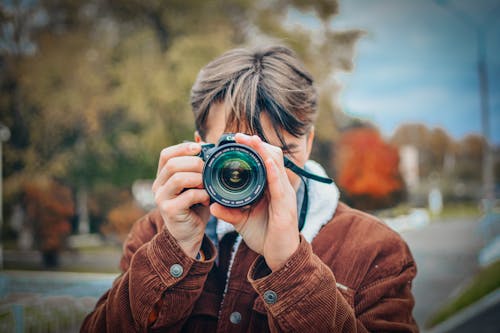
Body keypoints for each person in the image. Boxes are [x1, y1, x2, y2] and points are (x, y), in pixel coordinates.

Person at [81, 45, 418, 332]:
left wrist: (291, 265)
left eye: (281, 153)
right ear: (200, 146)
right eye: (238, 153)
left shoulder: (375, 251)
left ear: (309, 142)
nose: (261, 169)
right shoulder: (157, 232)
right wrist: (175, 251)